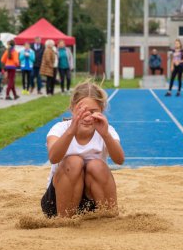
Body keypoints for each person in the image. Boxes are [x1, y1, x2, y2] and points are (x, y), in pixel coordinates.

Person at [41, 80, 125, 218]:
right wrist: (71, 131)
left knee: (97, 166)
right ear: (73, 109)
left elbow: (119, 160)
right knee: (74, 162)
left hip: (90, 203)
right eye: (81, 111)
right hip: (56, 202)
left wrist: (105, 135)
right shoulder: (60, 129)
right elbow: (53, 157)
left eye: (93, 112)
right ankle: (65, 220)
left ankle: (109, 217)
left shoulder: (107, 131)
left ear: (101, 110)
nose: (87, 117)